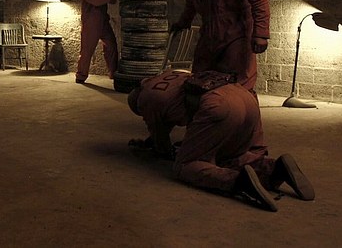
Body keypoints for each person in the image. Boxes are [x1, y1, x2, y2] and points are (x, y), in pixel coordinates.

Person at [127, 69, 315, 212]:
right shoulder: (170, 74)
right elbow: (170, 114)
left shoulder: (145, 99)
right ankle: (275, 169)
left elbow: (161, 143)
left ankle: (237, 181)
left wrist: (165, 149)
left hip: (218, 106)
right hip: (245, 97)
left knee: (185, 165)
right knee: (228, 155)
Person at [75, 0, 119, 84]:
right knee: (87, 50)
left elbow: (113, 1)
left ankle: (113, 73)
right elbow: (96, 1)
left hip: (104, 22)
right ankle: (81, 75)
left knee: (112, 45)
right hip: (91, 24)